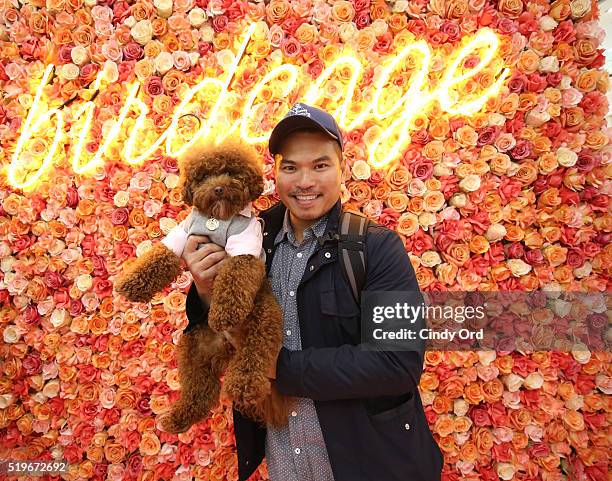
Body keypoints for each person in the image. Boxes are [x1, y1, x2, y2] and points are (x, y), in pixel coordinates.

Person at [181, 103, 443, 481]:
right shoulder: (252, 239)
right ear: (275, 173)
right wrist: (206, 291)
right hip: (286, 465)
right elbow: (218, 336)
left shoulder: (377, 247)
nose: (304, 181)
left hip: (372, 465)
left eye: (320, 166)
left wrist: (278, 368)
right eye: (290, 167)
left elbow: (398, 364)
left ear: (342, 169)